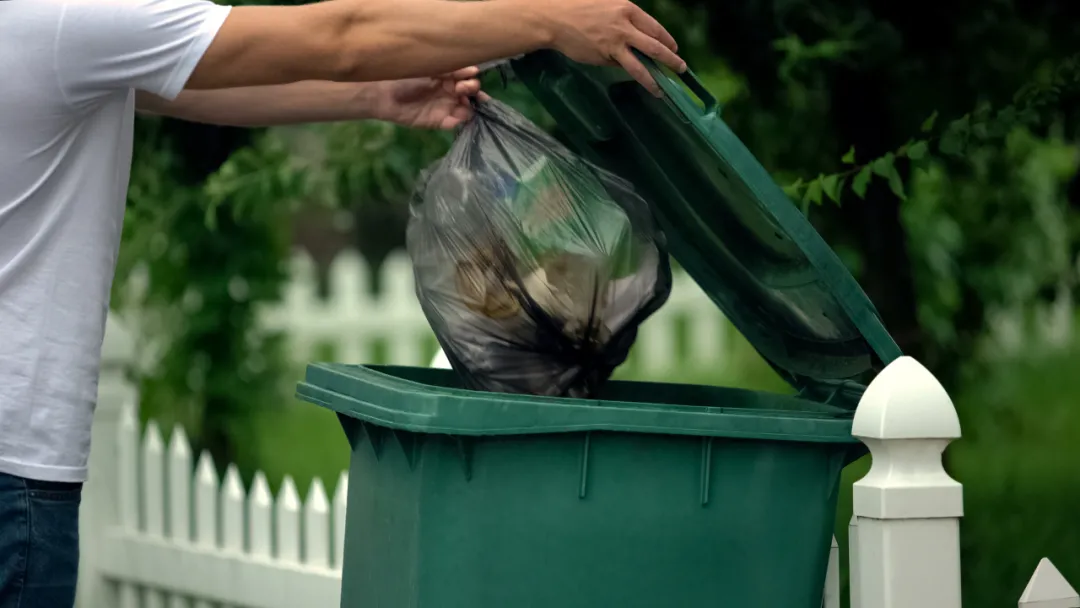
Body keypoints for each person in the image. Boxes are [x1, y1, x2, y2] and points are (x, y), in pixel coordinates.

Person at [0, 0, 684, 605]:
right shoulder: (62, 18)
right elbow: (340, 32)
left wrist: (371, 95)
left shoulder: (45, 31)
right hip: (15, 474)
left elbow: (173, 81)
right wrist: (550, 17)